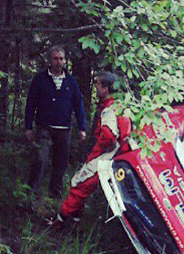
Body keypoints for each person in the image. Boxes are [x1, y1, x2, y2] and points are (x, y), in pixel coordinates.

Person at [47, 71, 131, 226]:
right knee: (82, 184)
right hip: (117, 157)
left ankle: (61, 220)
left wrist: (101, 151)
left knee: (79, 184)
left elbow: (109, 136)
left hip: (106, 157)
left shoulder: (110, 109)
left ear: (105, 89)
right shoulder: (120, 106)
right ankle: (75, 220)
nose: (96, 88)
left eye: (98, 85)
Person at [25, 45, 87, 199]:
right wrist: (28, 126)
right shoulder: (40, 79)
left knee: (61, 163)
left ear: (65, 61)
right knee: (40, 160)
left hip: (64, 128)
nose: (58, 62)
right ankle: (30, 194)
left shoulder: (71, 81)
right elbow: (31, 103)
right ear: (49, 60)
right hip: (44, 127)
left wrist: (82, 127)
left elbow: (78, 104)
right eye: (55, 58)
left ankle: (55, 194)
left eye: (61, 59)